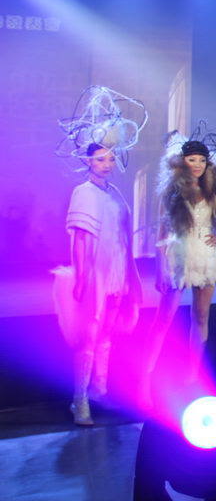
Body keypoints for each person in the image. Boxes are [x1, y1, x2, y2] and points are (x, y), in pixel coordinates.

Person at [52, 144, 142, 425]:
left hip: (117, 270)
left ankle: (99, 390)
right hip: (95, 274)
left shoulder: (114, 193)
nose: (107, 164)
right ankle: (79, 400)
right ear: (89, 161)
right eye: (101, 159)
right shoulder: (83, 192)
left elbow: (123, 236)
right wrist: (81, 276)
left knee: (106, 333)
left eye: (111, 159)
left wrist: (128, 273)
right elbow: (80, 238)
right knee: (89, 336)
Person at [145, 131, 216, 389]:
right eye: (192, 159)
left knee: (202, 316)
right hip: (179, 256)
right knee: (165, 317)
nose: (197, 165)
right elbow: (161, 234)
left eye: (201, 160)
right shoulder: (173, 192)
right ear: (182, 161)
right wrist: (161, 269)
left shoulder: (214, 190)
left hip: (205, 255)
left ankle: (193, 373)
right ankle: (146, 372)